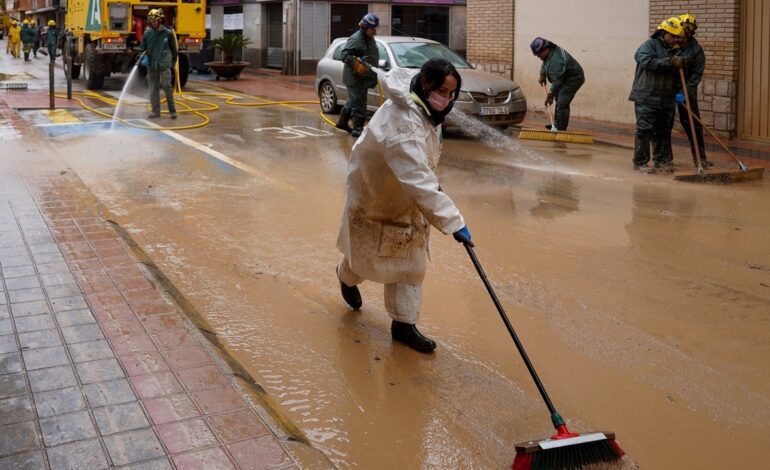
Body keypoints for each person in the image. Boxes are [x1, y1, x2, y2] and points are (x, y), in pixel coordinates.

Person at [335, 58, 472, 353]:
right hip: (375, 194)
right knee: (364, 255)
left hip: (404, 192)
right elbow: (417, 178)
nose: (446, 99)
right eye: (443, 92)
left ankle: (403, 325)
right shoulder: (402, 123)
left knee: (410, 261)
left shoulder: (420, 103)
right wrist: (454, 221)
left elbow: (419, 172)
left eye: (451, 94)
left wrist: (432, 187)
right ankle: (345, 277)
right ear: (426, 85)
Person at [628, 17, 686, 172]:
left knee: (664, 130)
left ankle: (662, 161)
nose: (675, 39)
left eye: (676, 37)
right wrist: (669, 62)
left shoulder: (676, 51)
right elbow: (646, 62)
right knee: (644, 129)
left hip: (666, 97)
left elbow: (678, 74)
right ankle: (640, 162)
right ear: (663, 32)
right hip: (647, 95)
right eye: (672, 36)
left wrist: (680, 90)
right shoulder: (649, 46)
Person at [675, 13, 712, 168]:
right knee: (662, 125)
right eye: (685, 27)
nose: (687, 31)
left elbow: (696, 75)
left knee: (693, 125)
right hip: (664, 89)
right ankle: (662, 159)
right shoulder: (670, 44)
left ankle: (700, 158)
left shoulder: (696, 51)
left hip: (686, 91)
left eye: (691, 28)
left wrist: (685, 92)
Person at [336, 13, 380, 138]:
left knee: (354, 101)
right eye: (373, 29)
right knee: (360, 105)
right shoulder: (355, 39)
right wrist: (355, 64)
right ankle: (357, 129)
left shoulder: (369, 38)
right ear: (365, 27)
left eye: (375, 29)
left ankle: (342, 122)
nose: (374, 31)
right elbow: (344, 55)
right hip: (355, 78)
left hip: (364, 77)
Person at [530, 37, 585, 131]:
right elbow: (544, 64)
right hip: (564, 77)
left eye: (539, 54)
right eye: (537, 54)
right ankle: (556, 124)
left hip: (574, 78)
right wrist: (542, 75)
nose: (539, 57)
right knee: (558, 98)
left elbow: (557, 82)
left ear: (545, 49)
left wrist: (550, 95)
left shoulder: (557, 61)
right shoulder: (548, 53)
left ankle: (561, 127)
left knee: (562, 100)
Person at [137, 9, 177, 119]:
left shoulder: (168, 33)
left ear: (160, 20)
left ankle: (172, 111)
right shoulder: (147, 34)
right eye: (151, 21)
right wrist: (143, 56)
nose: (153, 23)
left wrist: (172, 63)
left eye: (155, 21)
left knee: (167, 86)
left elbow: (174, 50)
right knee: (153, 89)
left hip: (164, 64)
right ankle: (156, 112)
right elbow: (141, 48)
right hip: (152, 65)